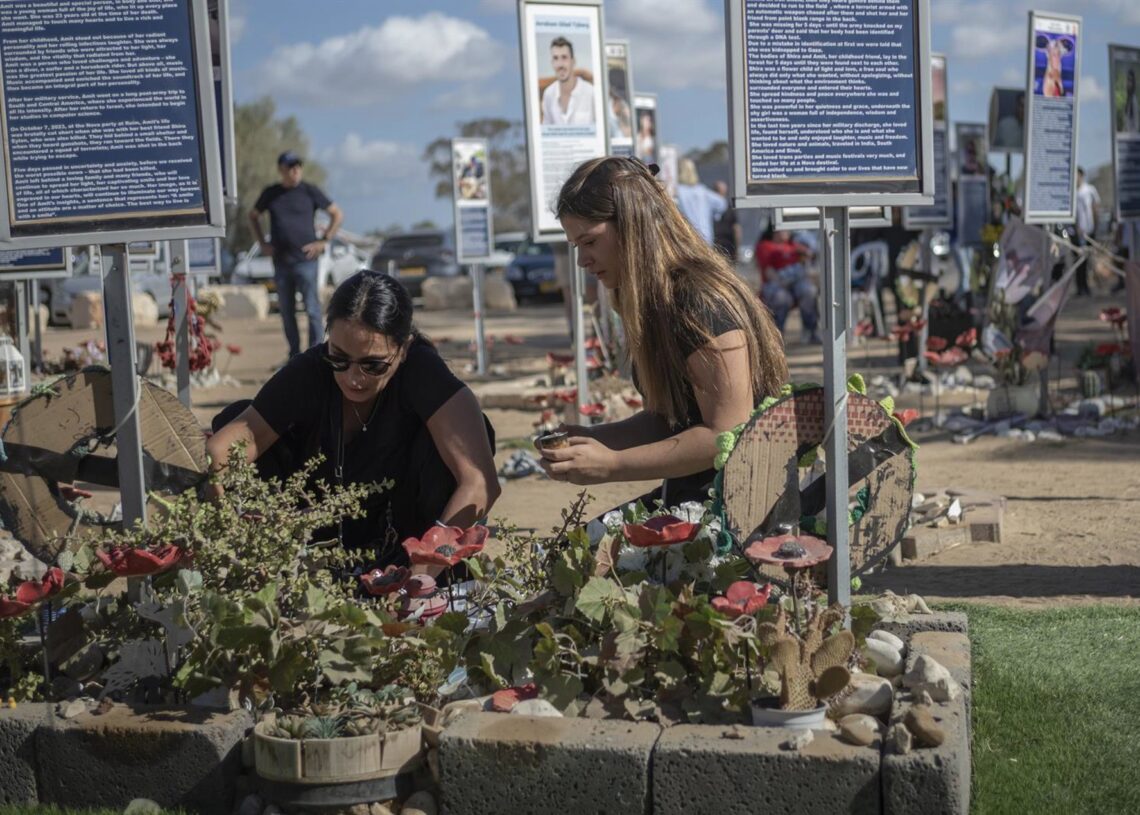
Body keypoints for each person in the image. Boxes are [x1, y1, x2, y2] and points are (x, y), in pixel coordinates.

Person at [206, 271, 500, 571]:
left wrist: (419, 576)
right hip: (315, 537)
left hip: (408, 544)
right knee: (236, 419)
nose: (353, 378)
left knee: (470, 437)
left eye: (372, 365)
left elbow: (480, 482)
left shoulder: (422, 371)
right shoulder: (308, 372)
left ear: (403, 347)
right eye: (339, 358)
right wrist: (235, 539)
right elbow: (219, 453)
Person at [538, 156, 788, 508]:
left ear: (632, 224)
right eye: (577, 247)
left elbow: (726, 434)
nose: (583, 261)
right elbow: (670, 421)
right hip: (700, 496)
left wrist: (612, 464)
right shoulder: (657, 300)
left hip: (744, 508)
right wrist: (592, 440)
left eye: (590, 242)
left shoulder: (699, 301)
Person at [249, 151, 344, 359]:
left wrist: (323, 241)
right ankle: (294, 356)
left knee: (312, 309)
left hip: (307, 262)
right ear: (281, 169)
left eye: (298, 166)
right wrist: (262, 243)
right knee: (286, 311)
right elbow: (253, 215)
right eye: (291, 166)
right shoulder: (271, 193)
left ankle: (316, 355)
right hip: (282, 262)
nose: (295, 170)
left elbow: (337, 214)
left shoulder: (310, 191)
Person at [755, 226, 820, 343]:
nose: (787, 231)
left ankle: (810, 332)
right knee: (782, 297)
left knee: (809, 291)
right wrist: (782, 281)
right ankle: (777, 335)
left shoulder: (794, 245)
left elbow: (810, 255)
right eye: (783, 228)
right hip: (775, 284)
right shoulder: (765, 245)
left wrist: (807, 254)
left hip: (795, 284)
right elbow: (768, 271)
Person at [542, 37, 595, 126]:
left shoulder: (591, 92)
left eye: (564, 57)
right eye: (556, 58)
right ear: (552, 63)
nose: (560, 64)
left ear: (573, 61)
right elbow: (546, 129)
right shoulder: (548, 94)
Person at [675, 159, 726, 246]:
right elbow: (722, 204)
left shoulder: (677, 191)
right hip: (706, 238)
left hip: (687, 238)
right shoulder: (702, 191)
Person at [1074, 167, 1101, 296]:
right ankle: (1081, 287)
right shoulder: (1072, 193)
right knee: (1079, 261)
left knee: (1090, 260)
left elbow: (1095, 208)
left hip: (1089, 231)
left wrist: (1095, 228)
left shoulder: (1089, 190)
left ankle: (1090, 286)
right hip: (1077, 233)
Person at [711, 180, 741, 261]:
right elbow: (737, 229)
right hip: (716, 245)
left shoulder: (728, 209)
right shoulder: (710, 207)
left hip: (725, 245)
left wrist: (737, 249)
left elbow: (736, 229)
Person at [1122, 68, 1139, 133]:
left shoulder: (1133, 100)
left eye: (1130, 80)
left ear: (1133, 83)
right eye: (1127, 80)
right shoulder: (1128, 98)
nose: (1128, 83)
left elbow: (1136, 126)